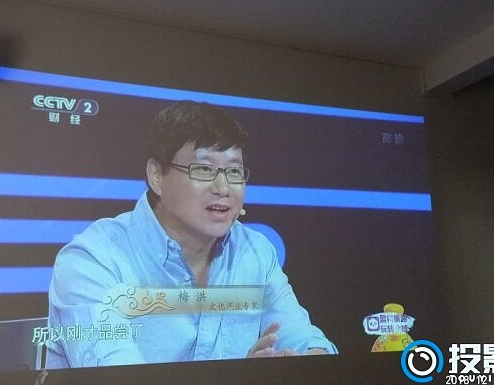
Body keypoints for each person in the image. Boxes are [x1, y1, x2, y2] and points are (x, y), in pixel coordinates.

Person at [46, 100, 337, 368]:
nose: (223, 188)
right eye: (204, 169)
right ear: (156, 176)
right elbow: (120, 382)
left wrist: (297, 369)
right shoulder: (93, 260)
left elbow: (306, 342)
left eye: (234, 172)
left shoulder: (255, 252)